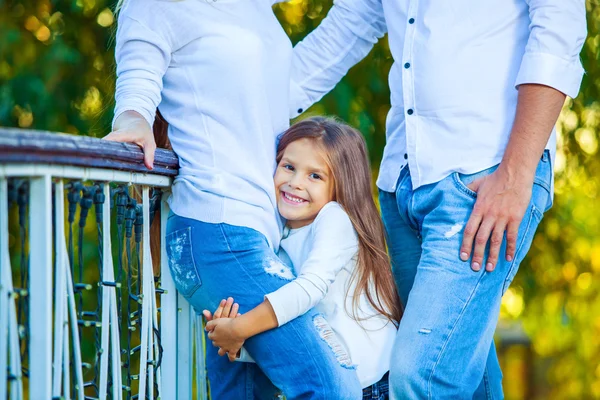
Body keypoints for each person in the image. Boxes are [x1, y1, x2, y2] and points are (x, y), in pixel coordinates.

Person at [284, 0, 587, 398]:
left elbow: (558, 24)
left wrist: (515, 175)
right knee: (463, 374)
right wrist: (243, 116)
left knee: (422, 377)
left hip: (484, 179)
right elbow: (347, 26)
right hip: (403, 184)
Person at [104, 0, 365, 397]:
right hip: (219, 233)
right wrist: (132, 120)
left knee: (245, 392)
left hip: (259, 238)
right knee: (332, 383)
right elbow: (136, 92)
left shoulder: (256, 9)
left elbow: (279, 89)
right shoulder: (156, 5)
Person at [204, 117, 402, 399]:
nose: (295, 183)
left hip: (371, 385)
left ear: (341, 185)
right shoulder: (279, 235)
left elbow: (309, 289)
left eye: (315, 176)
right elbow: (288, 330)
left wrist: (241, 327)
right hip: (331, 379)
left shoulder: (335, 219)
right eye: (288, 167)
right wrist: (233, 341)